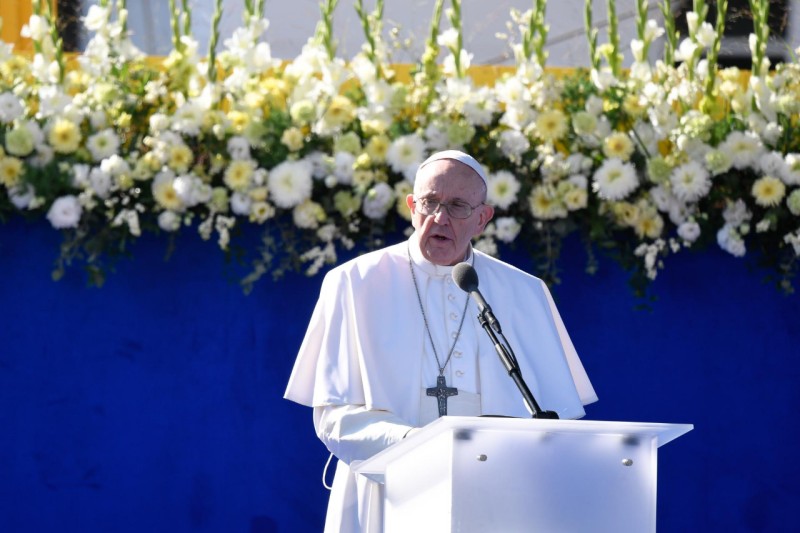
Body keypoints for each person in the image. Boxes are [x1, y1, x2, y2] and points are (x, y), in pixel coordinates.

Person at [284, 150, 597, 532]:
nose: (439, 218)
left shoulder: (525, 292)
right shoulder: (355, 282)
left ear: (483, 218)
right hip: (387, 495)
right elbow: (334, 416)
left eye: (458, 206)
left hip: (492, 500)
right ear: (412, 206)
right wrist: (416, 447)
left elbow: (554, 421)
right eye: (429, 203)